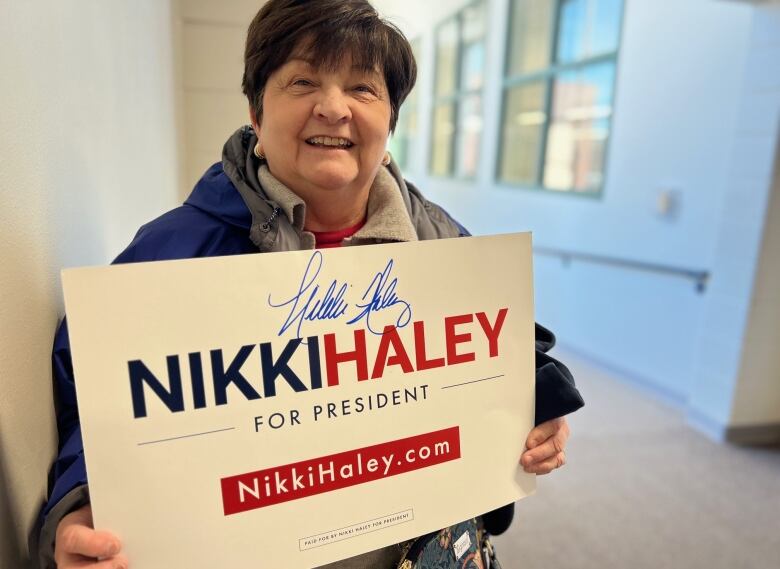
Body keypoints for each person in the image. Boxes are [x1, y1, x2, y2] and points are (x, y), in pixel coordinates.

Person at [36, 1, 583, 567]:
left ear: (390, 117)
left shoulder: (448, 244)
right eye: (302, 81)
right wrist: (83, 505)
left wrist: (535, 410)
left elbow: (509, 356)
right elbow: (96, 406)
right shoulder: (168, 256)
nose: (333, 108)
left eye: (362, 88)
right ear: (255, 110)